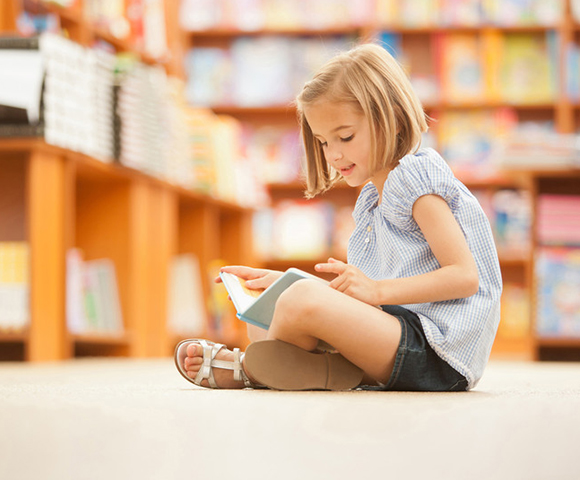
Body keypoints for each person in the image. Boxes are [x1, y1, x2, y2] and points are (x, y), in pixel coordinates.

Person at [174, 43, 502, 392]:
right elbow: (363, 298)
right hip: (398, 334)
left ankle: (247, 370)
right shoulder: (374, 198)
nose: (334, 154)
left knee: (298, 301)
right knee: (265, 307)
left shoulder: (416, 179)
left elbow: (465, 277)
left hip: (438, 352)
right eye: (323, 142)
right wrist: (283, 281)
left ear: (387, 117)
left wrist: (372, 290)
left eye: (344, 137)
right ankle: (325, 371)